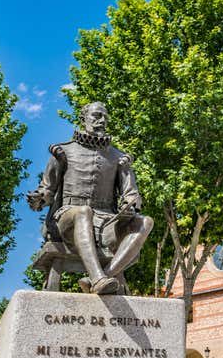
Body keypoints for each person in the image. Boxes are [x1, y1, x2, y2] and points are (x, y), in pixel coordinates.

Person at [27, 102, 153, 294]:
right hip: (67, 220)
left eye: (104, 117)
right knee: (83, 212)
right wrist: (38, 198)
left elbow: (131, 194)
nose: (101, 120)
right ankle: (99, 278)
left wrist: (131, 205)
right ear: (83, 118)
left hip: (106, 223)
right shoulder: (63, 152)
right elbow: (47, 190)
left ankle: (101, 277)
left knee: (145, 222)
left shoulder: (119, 158)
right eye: (96, 116)